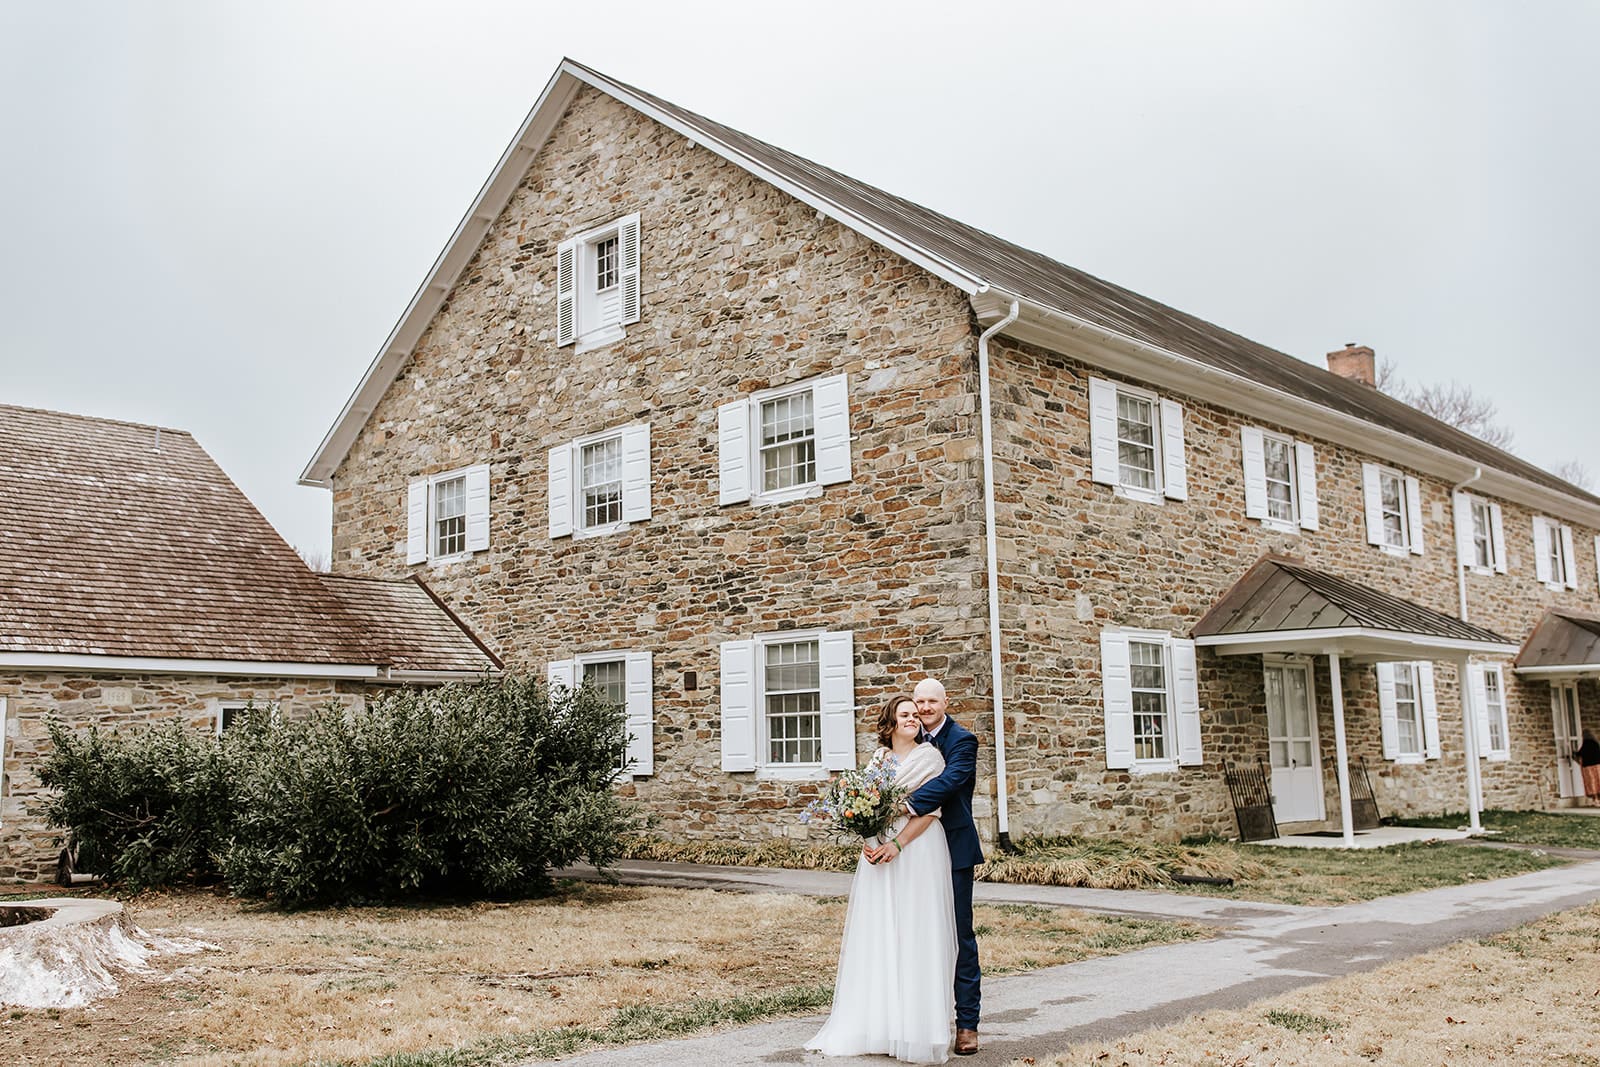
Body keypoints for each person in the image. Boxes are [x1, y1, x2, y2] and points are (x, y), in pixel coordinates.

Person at [806, 695, 957, 1064]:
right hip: (878, 851)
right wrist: (869, 841)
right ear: (889, 724)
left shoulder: (929, 758)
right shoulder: (878, 760)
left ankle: (916, 1029)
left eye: (915, 715)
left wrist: (897, 845)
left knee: (914, 929)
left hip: (916, 849)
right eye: (904, 714)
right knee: (880, 931)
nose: (914, 719)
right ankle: (878, 1025)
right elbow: (862, 805)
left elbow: (931, 812)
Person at [866, 677, 983, 1057]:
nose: (926, 707)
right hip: (909, 851)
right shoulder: (899, 743)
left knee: (957, 935)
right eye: (920, 702)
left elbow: (951, 781)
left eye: (933, 701)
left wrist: (899, 805)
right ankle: (907, 1020)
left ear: (945, 702)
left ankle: (966, 1024)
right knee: (909, 935)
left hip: (951, 845)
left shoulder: (961, 740)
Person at [1575, 730, 1600, 801]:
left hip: (1588, 766)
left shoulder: (1586, 744)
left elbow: (1580, 753)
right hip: (1597, 765)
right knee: (1598, 780)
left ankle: (1595, 798)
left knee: (1591, 782)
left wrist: (1575, 754)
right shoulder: (1596, 743)